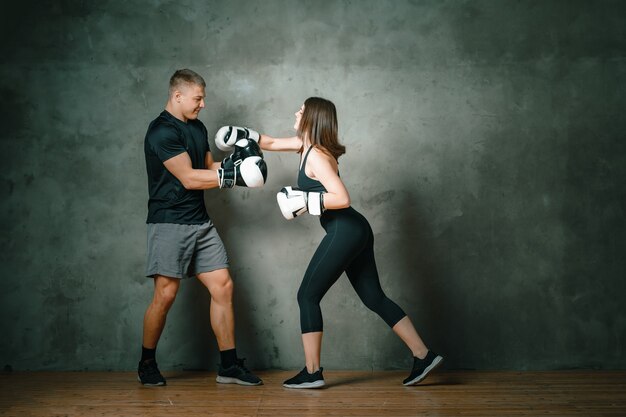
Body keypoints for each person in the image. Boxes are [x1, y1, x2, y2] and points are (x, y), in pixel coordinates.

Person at [223, 97, 443, 388]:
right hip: (353, 229)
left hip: (345, 230)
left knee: (307, 296)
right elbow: (273, 143)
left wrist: (305, 200)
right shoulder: (305, 146)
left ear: (313, 118)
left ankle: (312, 372)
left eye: (302, 110)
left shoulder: (317, 155)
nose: (297, 112)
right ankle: (423, 356)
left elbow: (342, 198)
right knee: (374, 297)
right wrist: (243, 135)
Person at [138, 69, 266, 387]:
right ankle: (146, 363)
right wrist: (236, 177)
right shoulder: (161, 132)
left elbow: (207, 168)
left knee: (222, 286)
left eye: (204, 97)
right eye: (198, 98)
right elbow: (189, 178)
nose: (203, 104)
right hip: (169, 222)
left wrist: (240, 159)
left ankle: (228, 365)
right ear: (177, 95)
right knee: (165, 295)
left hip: (200, 222)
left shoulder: (197, 127)